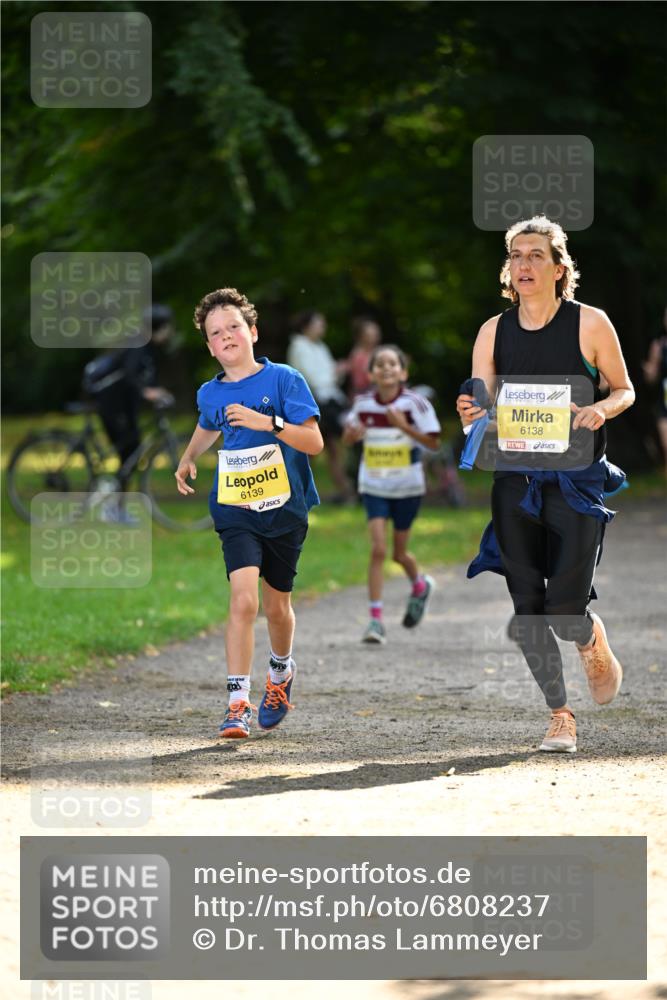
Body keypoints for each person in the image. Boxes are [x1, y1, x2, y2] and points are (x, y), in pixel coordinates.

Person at [456, 216, 634, 754]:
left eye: (536, 255)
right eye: (516, 255)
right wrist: (470, 410)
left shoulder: (591, 324)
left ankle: (589, 636)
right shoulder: (493, 331)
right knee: (527, 607)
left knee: (564, 609)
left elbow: (625, 389)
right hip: (515, 479)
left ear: (560, 268)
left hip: (577, 481)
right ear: (508, 269)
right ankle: (560, 715)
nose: (524, 264)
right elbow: (480, 406)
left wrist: (601, 410)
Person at [175, 288, 323, 739]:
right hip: (235, 506)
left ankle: (279, 674)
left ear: (253, 331)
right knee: (244, 600)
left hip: (285, 509)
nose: (226, 336)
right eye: (215, 333)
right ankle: (237, 702)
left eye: (234, 327)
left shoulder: (284, 380)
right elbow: (207, 424)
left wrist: (270, 423)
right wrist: (188, 457)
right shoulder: (209, 392)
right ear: (209, 345)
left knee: (278, 607)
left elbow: (314, 443)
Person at [343, 344, 441, 644]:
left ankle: (420, 585)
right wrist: (351, 436)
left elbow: (434, 444)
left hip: (408, 487)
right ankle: (375, 622)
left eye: (392, 364)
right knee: (378, 550)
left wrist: (404, 427)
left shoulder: (417, 404)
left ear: (403, 372)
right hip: (374, 485)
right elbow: (347, 437)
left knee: (399, 553)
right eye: (380, 364)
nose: (386, 369)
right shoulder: (362, 404)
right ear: (371, 373)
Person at [83, 303, 175, 492]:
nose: (170, 331)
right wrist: (149, 392)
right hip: (110, 401)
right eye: (167, 326)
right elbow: (130, 375)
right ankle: (111, 500)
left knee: (132, 452)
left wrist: (156, 391)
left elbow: (146, 379)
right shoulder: (138, 345)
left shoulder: (148, 348)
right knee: (128, 451)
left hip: (123, 403)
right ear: (158, 327)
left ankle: (116, 502)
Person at [286, 310, 353, 501]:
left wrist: (337, 372)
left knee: (331, 448)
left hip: (328, 402)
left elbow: (329, 379)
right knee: (310, 450)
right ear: (307, 326)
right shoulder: (299, 346)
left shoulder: (320, 347)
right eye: (319, 323)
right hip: (312, 405)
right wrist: (336, 371)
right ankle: (299, 491)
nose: (323, 327)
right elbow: (311, 379)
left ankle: (345, 491)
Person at [642, 306, 667, 476]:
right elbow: (651, 379)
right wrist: (649, 370)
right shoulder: (658, 345)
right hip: (664, 400)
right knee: (666, 442)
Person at [345, 317, 382, 397]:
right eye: (370, 335)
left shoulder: (377, 351)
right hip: (363, 396)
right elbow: (359, 384)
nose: (374, 338)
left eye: (376, 334)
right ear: (362, 337)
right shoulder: (357, 355)